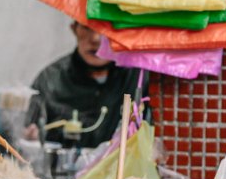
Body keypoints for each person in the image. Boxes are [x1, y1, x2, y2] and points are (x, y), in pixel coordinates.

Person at [24, 20, 140, 148]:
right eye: (86, 27)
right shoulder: (50, 80)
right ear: (74, 29)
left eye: (105, 28)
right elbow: (26, 131)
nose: (95, 39)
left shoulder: (137, 79)